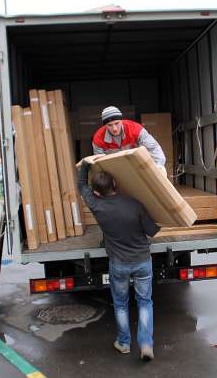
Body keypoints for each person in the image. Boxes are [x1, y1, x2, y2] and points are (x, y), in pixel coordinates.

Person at [77, 158, 160, 361]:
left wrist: (85, 165)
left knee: (121, 304)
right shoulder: (134, 204)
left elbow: (81, 186)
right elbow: (152, 231)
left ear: (96, 193)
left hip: (119, 263)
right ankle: (146, 344)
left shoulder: (96, 205)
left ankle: (124, 343)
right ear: (115, 184)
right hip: (142, 260)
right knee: (144, 301)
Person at [92, 106, 167, 176]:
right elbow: (100, 163)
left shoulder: (136, 129)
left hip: (136, 166)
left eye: (117, 123)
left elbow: (153, 148)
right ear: (105, 125)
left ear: (121, 120)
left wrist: (159, 166)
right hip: (115, 170)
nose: (114, 128)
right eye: (110, 125)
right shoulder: (98, 138)